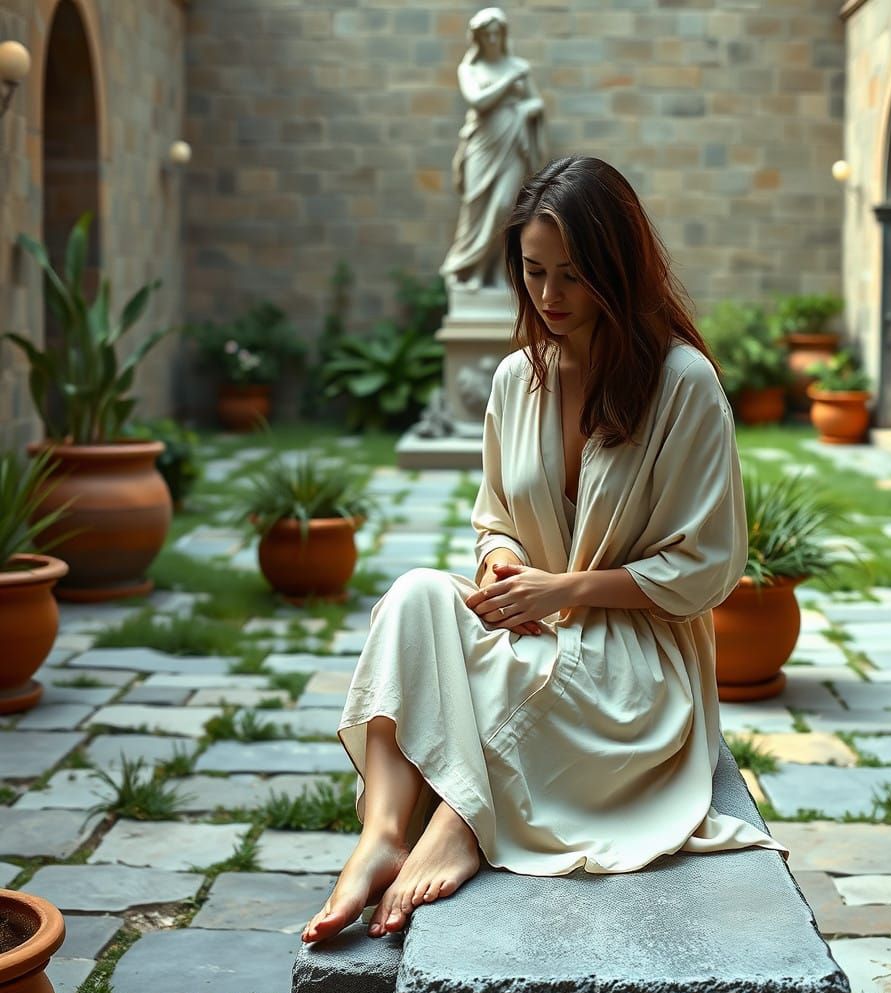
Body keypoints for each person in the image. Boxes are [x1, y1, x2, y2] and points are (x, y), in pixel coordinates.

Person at [302, 155, 787, 945]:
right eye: (534, 273)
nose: (550, 296)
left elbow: (706, 568)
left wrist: (565, 591)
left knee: (541, 673)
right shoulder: (514, 380)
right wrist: (499, 563)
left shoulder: (683, 384)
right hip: (531, 623)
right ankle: (383, 833)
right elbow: (494, 516)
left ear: (616, 270)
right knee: (415, 597)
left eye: (572, 275)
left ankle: (461, 821)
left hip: (636, 654)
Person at [439, 7, 545, 290]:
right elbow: (479, 101)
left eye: (497, 33)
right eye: (487, 34)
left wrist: (525, 110)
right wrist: (510, 79)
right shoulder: (470, 69)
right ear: (478, 37)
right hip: (482, 147)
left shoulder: (518, 65)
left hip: (513, 146)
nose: (493, 39)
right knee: (476, 207)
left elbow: (536, 101)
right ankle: (470, 270)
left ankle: (496, 272)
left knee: (505, 207)